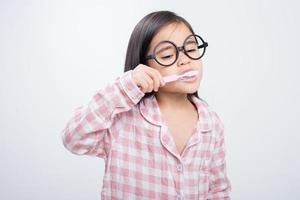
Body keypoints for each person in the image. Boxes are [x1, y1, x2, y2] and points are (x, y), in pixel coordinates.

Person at [61, 10, 231, 199]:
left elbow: (218, 189)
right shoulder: (122, 119)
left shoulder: (212, 123)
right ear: (144, 66)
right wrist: (124, 87)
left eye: (191, 49)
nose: (185, 60)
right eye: (167, 56)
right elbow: (73, 139)